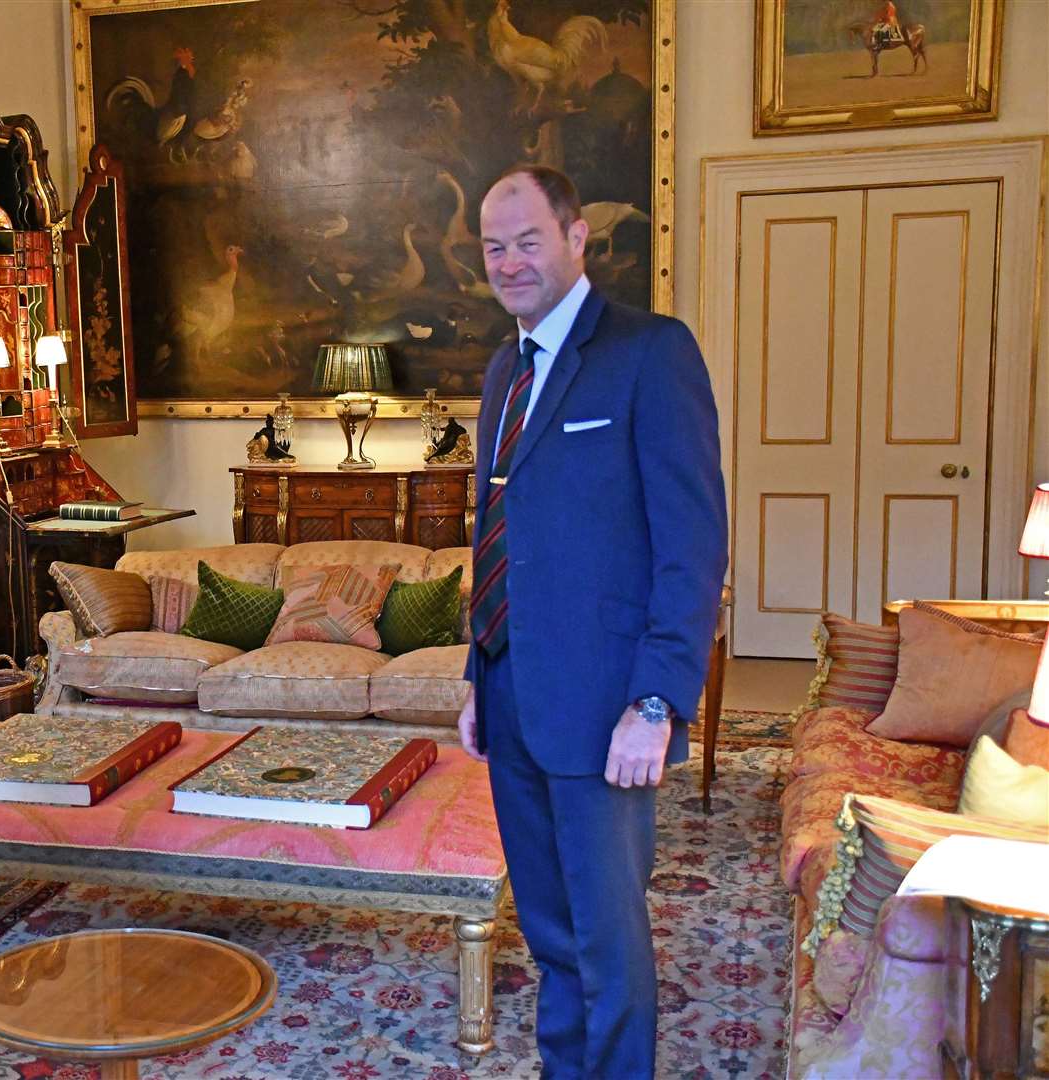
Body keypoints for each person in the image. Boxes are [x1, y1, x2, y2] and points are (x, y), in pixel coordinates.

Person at [457, 165, 727, 1077]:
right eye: (495, 247)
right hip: (512, 694)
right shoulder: (505, 368)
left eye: (529, 240)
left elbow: (692, 547)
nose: (510, 262)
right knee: (547, 931)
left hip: (609, 708)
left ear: (577, 238)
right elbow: (500, 526)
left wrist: (657, 702)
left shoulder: (651, 353)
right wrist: (476, 671)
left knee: (607, 942)